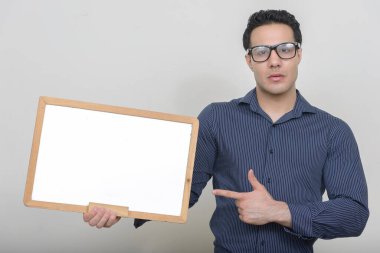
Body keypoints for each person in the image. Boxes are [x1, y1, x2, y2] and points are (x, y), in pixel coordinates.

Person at [83, 9, 369, 253]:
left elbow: (354, 214)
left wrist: (279, 212)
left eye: (284, 49)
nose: (274, 60)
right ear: (249, 61)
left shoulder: (333, 131)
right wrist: (121, 205)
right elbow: (183, 190)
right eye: (261, 52)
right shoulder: (217, 118)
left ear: (298, 55)